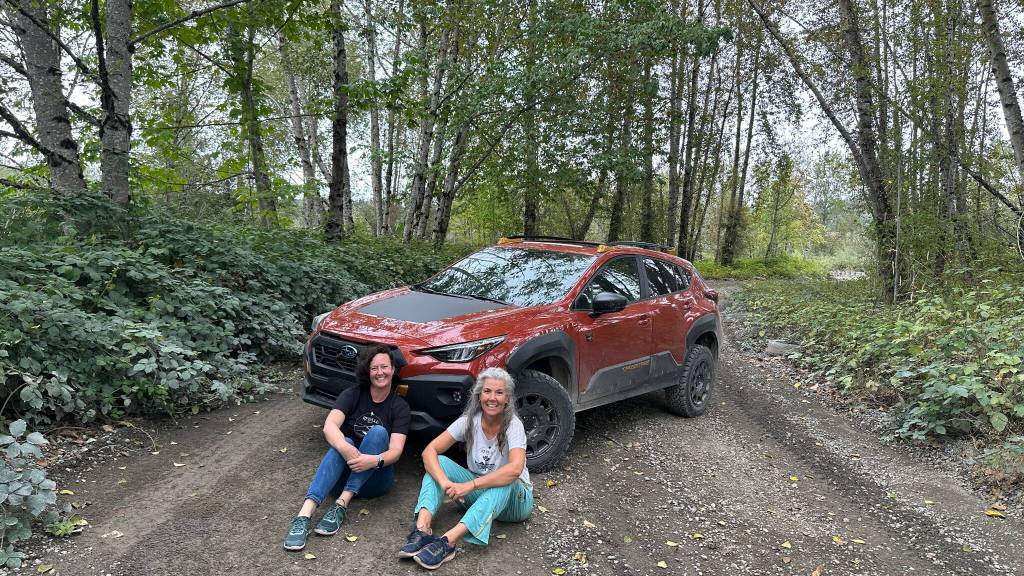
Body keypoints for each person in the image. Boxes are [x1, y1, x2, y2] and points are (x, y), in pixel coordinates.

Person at [400, 367, 534, 569]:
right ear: (479, 395)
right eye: (487, 391)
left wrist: (469, 486)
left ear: (507, 399)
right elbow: (429, 451)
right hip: (479, 492)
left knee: (505, 479)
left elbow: (515, 469)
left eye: (499, 393)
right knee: (439, 463)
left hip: (515, 501)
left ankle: (448, 542)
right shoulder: (468, 421)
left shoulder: (513, 425)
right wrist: (446, 483)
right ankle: (422, 530)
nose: (492, 398)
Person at [283, 344, 410, 551]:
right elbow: (329, 426)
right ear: (367, 372)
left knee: (378, 432)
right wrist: (345, 447)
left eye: (384, 367)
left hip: (375, 480)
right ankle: (304, 515)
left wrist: (373, 460)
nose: (380, 372)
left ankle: (341, 505)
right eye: (374, 368)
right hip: (341, 477)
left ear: (393, 369)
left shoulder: (399, 406)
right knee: (344, 442)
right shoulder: (353, 394)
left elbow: (395, 451)